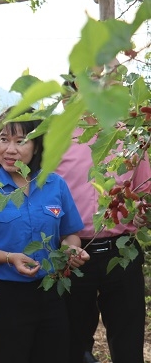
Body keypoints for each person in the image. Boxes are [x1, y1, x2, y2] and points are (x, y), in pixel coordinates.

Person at [0, 107, 89, 363]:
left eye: (21, 141)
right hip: (6, 295)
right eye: (3, 139)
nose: (10, 149)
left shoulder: (55, 185)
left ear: (37, 146)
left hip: (51, 291)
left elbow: (70, 234)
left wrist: (72, 249)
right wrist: (9, 257)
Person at [56, 101, 150, 363]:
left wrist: (143, 213)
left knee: (128, 341)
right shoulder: (56, 141)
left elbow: (145, 194)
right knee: (74, 342)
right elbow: (45, 198)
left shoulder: (129, 140)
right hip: (73, 253)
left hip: (122, 252)